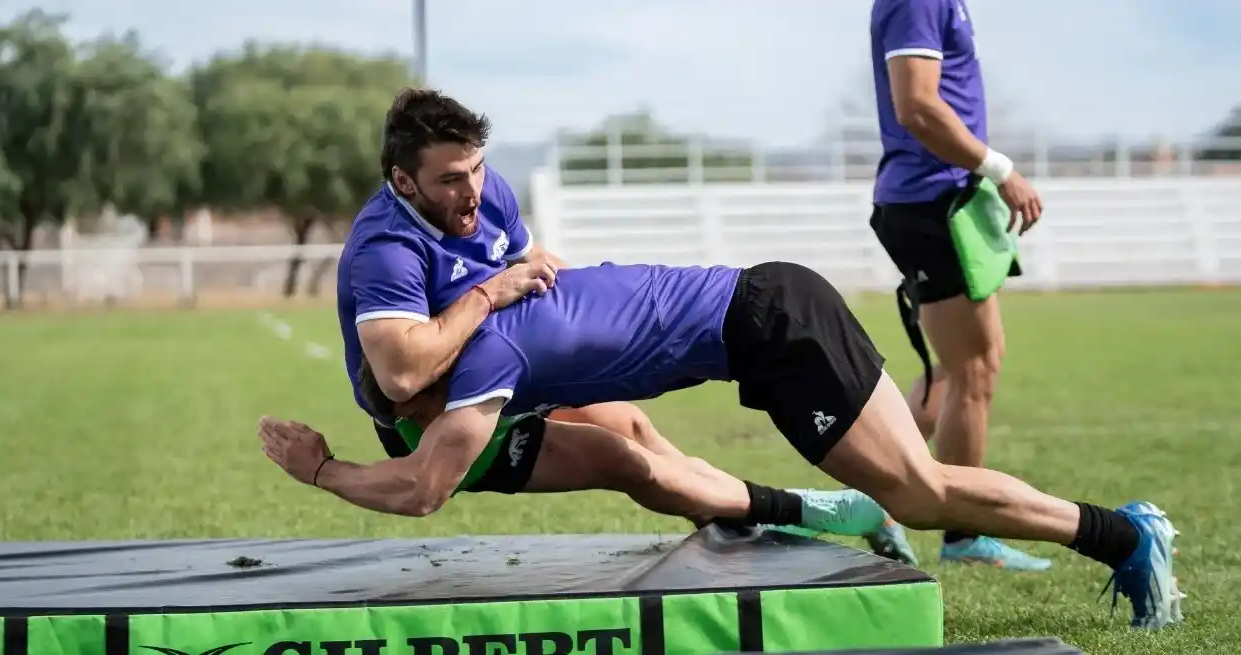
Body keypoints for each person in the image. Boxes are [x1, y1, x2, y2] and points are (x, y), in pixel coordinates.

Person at [265, 260, 1181, 630]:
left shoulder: (487, 357)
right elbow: (623, 440)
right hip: (768, 320)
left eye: (414, 393)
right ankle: (840, 511)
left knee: (922, 490)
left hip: (777, 327)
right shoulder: (468, 346)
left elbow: (427, 487)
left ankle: (1124, 533)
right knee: (637, 452)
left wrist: (320, 468)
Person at [336, 86, 694, 470]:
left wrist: (606, 308)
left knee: (632, 428)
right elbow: (401, 377)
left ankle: (738, 519)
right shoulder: (387, 247)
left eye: (476, 168)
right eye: (450, 179)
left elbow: (532, 261)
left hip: (503, 361)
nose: (473, 190)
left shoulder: (488, 192)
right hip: (426, 416)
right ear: (405, 182)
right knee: (622, 458)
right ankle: (740, 513)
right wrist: (489, 293)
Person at [259, 359, 893, 541]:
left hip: (510, 385)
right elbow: (414, 490)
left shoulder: (467, 346)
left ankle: (714, 511)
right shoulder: (426, 434)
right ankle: (804, 510)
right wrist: (321, 469)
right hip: (495, 441)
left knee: (635, 428)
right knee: (625, 462)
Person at [866, 0, 1049, 570]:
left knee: (964, 365)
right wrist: (1000, 169)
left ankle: (874, 501)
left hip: (944, 196)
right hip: (931, 200)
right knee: (973, 368)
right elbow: (917, 105)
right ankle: (963, 534)